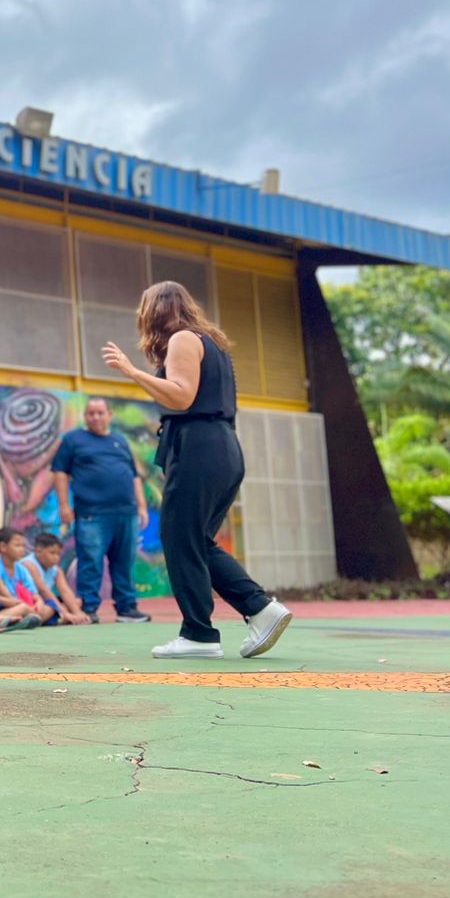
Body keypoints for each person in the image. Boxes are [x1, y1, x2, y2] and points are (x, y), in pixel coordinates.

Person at [101, 281, 292, 659]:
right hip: (219, 447)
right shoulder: (212, 343)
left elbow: (182, 394)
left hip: (199, 448)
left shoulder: (183, 340)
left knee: (179, 538)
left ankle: (199, 634)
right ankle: (259, 608)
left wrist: (132, 372)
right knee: (195, 541)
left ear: (154, 310)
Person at [50, 398, 152, 623]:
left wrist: (142, 507)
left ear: (109, 416)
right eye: (91, 413)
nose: (95, 417)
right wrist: (64, 505)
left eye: (100, 413)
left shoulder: (120, 441)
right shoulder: (73, 440)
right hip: (92, 513)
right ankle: (89, 608)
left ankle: (127, 608)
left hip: (126, 513)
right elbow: (59, 472)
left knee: (124, 562)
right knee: (91, 561)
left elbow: (134, 475)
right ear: (85, 417)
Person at [16, 531, 90, 625]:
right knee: (50, 609)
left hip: (47, 602)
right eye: (52, 553)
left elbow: (65, 591)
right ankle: (58, 617)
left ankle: (62, 617)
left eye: (58, 554)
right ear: (38, 552)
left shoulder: (56, 570)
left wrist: (78, 613)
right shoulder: (29, 565)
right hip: (31, 602)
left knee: (76, 602)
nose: (56, 558)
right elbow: (44, 591)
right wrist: (65, 613)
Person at [0, 528, 52, 627]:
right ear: (3, 547)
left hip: (20, 605)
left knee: (50, 606)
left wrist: (39, 601)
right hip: (1, 607)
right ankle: (2, 620)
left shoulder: (21, 569)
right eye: (17, 545)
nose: (22, 549)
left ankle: (22, 620)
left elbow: (34, 593)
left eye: (23, 546)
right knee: (23, 608)